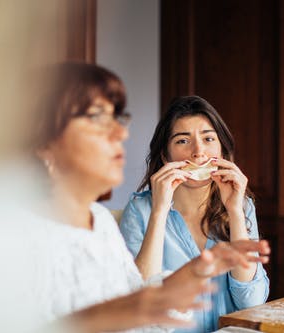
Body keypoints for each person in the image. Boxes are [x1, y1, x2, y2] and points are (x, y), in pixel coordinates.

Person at [28, 63, 271, 332]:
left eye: (118, 120)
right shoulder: (20, 235)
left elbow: (133, 314)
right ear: (45, 146)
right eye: (97, 120)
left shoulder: (100, 222)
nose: (122, 133)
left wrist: (191, 275)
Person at [119, 95, 270, 332]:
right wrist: (159, 211)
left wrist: (235, 212)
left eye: (208, 139)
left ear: (221, 149)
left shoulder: (241, 206)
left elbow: (252, 302)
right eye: (182, 141)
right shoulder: (141, 210)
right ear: (165, 156)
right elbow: (140, 306)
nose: (198, 152)